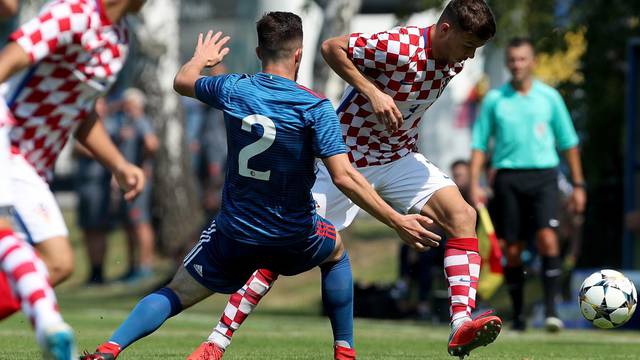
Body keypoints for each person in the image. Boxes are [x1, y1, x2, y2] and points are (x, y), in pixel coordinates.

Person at [80, 12, 439, 360]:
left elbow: (181, 81)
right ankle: (344, 350)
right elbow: (344, 177)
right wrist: (397, 219)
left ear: (258, 52)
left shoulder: (232, 88)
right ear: (299, 54)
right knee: (335, 252)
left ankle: (108, 351)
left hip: (234, 234)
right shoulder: (315, 107)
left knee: (175, 292)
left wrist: (200, 60)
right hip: (294, 235)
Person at [191, 1, 501, 359]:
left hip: (399, 157)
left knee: (463, 216)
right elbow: (330, 47)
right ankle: (217, 341)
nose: (470, 57)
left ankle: (461, 323)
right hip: (345, 158)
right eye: (467, 47)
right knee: (281, 243)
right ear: (445, 30)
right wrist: (371, 90)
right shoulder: (400, 45)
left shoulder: (455, 58)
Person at [0, 0, 146, 320]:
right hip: (9, 151)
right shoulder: (72, 13)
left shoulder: (119, 39)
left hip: (33, 168)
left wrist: (118, 165)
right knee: (57, 261)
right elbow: (8, 61)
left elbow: (80, 111)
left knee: (57, 265)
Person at [469, 37, 587, 332]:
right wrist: (474, 183)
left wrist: (579, 185)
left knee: (548, 238)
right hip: (508, 178)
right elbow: (480, 145)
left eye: (522, 59)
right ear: (508, 63)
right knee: (512, 250)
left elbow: (569, 143)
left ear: (532, 62)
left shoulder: (549, 98)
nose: (517, 65)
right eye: (512, 60)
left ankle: (550, 310)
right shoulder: (495, 100)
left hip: (545, 175)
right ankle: (519, 315)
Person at [111, 88, 158, 282]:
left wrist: (143, 163)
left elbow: (152, 143)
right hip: (126, 181)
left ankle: (145, 266)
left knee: (140, 222)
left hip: (138, 181)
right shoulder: (126, 122)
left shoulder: (140, 121)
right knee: (129, 224)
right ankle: (132, 266)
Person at [74, 97, 116, 285]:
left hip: (100, 184)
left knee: (98, 229)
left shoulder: (110, 126)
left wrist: (94, 148)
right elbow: (75, 150)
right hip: (83, 183)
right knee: (87, 229)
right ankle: (93, 270)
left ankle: (100, 271)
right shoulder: (82, 126)